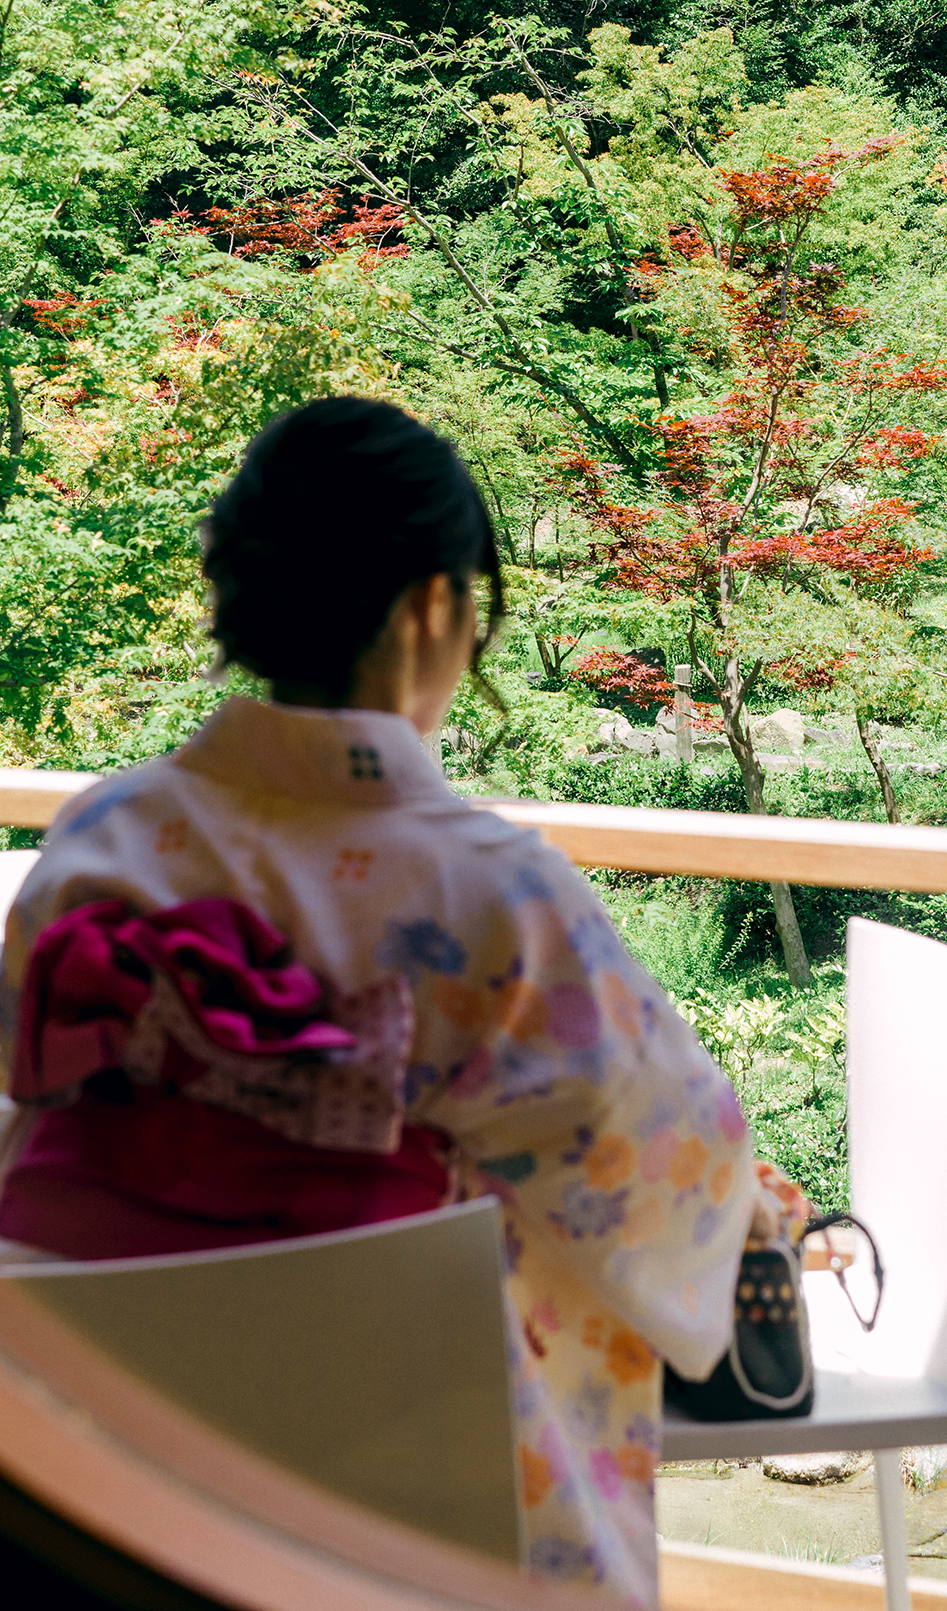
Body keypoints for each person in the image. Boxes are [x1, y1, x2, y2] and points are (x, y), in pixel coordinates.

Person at [0, 397, 794, 1605]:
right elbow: (669, 1172)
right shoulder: (499, 896)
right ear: (434, 605)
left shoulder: (104, 838)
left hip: (106, 1480)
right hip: (420, 1494)